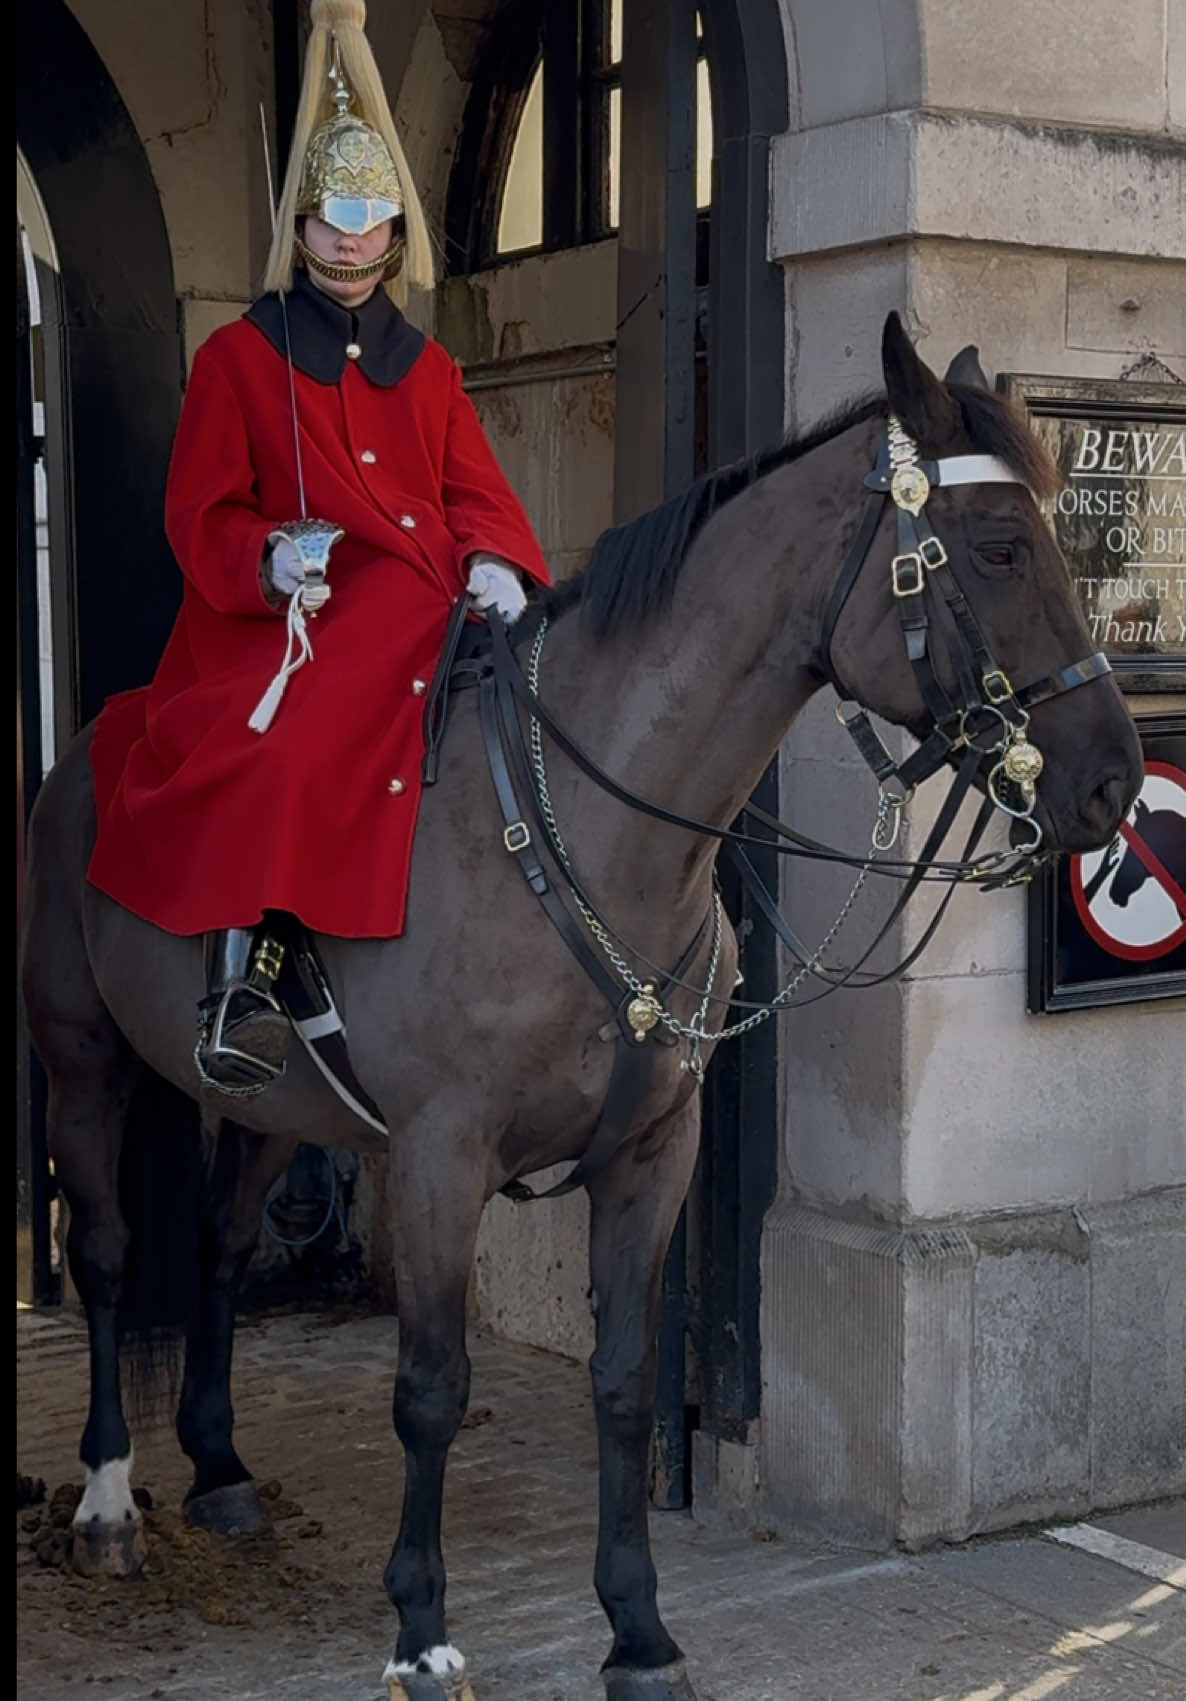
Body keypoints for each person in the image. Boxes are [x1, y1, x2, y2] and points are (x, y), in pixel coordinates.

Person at [86, 0, 551, 1094]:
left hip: (433, 606)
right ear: (299, 223)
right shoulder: (239, 361)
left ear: (395, 229)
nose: (351, 239)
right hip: (296, 623)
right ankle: (246, 975)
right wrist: (266, 561)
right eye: (333, 216)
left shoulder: (428, 371)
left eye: (372, 217)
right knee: (281, 753)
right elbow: (201, 518)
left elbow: (475, 494)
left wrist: (495, 558)